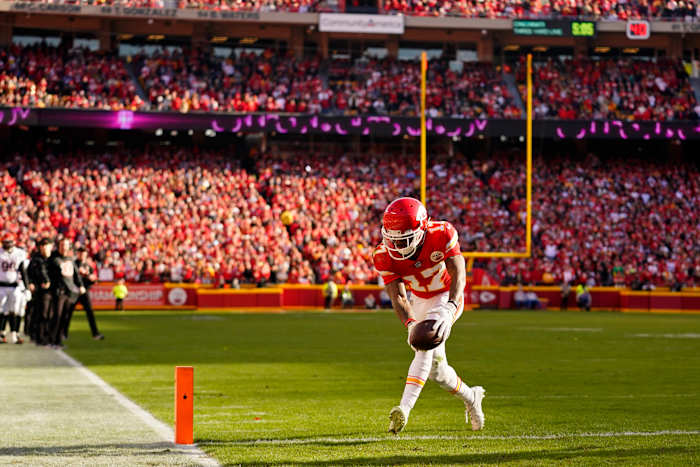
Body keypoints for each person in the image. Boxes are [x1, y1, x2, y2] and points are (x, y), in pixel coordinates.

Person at [372, 197, 485, 434]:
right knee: (438, 371)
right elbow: (399, 297)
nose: (398, 246)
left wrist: (451, 306)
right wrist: (411, 324)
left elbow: (458, 272)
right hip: (420, 300)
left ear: (421, 230)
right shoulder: (383, 255)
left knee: (425, 344)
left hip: (446, 295)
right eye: (393, 239)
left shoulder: (441, 233)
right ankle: (472, 397)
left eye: (404, 239)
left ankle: (404, 409)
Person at [48, 238, 85, 348]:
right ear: (59, 246)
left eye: (66, 245)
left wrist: (81, 285)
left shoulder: (70, 259)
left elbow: (76, 275)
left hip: (69, 292)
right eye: (62, 245)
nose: (64, 247)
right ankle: (51, 340)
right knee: (57, 317)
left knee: (64, 317)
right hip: (58, 291)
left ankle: (58, 340)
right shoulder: (54, 259)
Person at [0, 233, 29, 344]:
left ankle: (14, 333)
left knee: (15, 310)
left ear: (13, 242)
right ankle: (1, 333)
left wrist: (26, 288)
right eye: (5, 242)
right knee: (2, 310)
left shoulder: (19, 253)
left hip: (14, 286)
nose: (7, 244)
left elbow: (23, 271)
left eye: (9, 242)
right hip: (1, 285)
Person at [74, 247, 104, 340]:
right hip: (74, 291)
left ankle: (95, 333)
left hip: (84, 292)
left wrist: (92, 279)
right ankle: (61, 333)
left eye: (84, 254)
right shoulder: (73, 264)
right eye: (81, 253)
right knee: (66, 313)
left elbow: (93, 278)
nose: (82, 255)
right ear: (77, 254)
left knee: (90, 312)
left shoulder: (87, 265)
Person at [28, 237, 53, 345]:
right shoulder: (36, 259)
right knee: (42, 313)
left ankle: (47, 335)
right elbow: (29, 273)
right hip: (40, 290)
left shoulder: (53, 258)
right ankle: (40, 336)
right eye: (43, 246)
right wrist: (31, 283)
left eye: (47, 245)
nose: (44, 248)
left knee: (50, 314)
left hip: (52, 290)